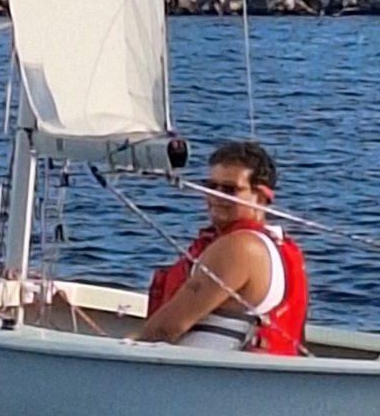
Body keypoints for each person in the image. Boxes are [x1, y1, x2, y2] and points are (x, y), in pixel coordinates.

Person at [131, 140, 309, 355]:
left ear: (261, 198)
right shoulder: (271, 244)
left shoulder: (240, 248)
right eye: (211, 186)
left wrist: (125, 352)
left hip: (205, 381)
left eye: (229, 189)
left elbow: (165, 328)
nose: (216, 195)